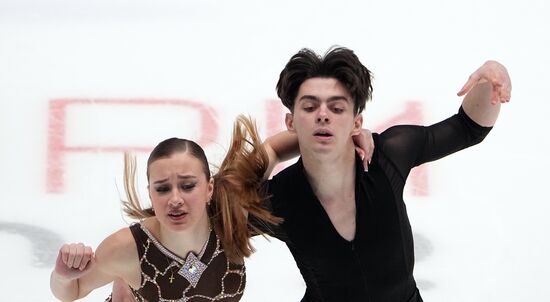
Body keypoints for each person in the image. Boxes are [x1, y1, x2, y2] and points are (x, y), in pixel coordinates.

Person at [253, 47, 511, 302]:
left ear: (356, 123)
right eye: (309, 108)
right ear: (290, 122)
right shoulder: (280, 198)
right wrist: (273, 149)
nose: (323, 115)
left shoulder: (387, 156)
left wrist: (492, 77)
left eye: (337, 109)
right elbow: (222, 205)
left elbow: (468, 128)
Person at [49, 114, 375, 302]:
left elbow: (276, 148)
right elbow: (71, 291)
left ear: (209, 188)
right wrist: (63, 275)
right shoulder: (128, 249)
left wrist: (345, 136)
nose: (174, 198)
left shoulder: (229, 211)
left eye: (187, 185)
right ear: (150, 193)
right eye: (162, 188)